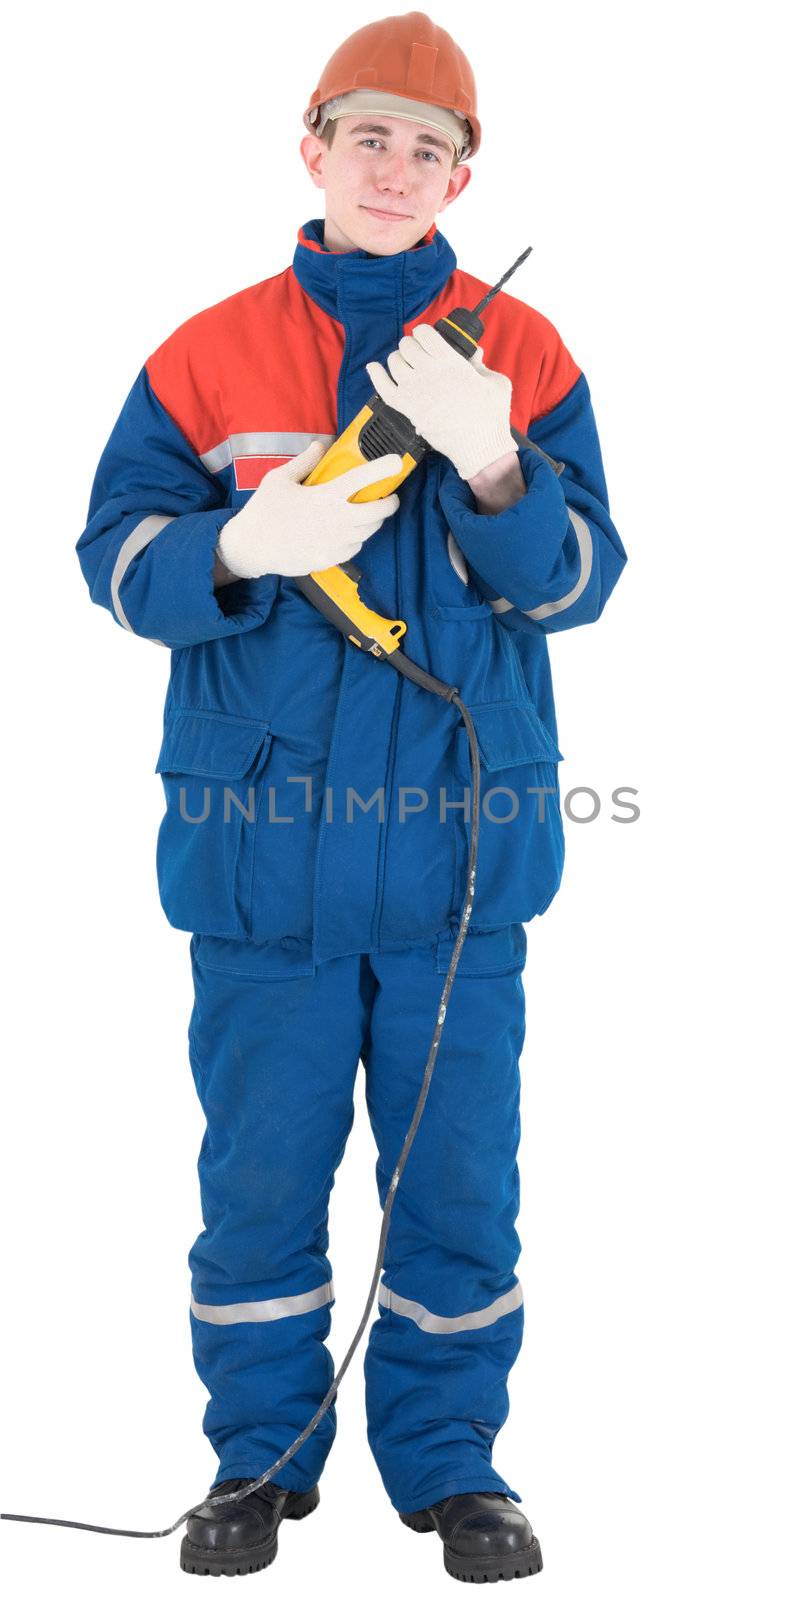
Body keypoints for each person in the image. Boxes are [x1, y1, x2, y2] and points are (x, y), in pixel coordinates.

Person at [76, 9, 627, 1583]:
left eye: (430, 149)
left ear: (467, 177)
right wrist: (240, 548)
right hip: (264, 872)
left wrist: (504, 473)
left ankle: (454, 1465)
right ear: (311, 147)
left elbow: (585, 582)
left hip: (460, 869)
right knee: (257, 1182)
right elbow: (111, 560)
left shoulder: (529, 356)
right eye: (368, 138)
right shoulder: (206, 353)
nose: (397, 169)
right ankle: (257, 1460)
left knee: (456, 1188)